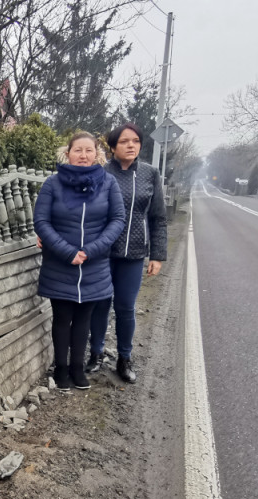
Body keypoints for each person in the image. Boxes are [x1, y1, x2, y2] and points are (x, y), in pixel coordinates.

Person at [34, 131, 126, 392]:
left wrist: (90, 251)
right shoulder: (52, 183)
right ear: (68, 153)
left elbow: (117, 220)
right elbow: (41, 221)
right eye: (78, 150)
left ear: (97, 154)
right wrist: (67, 252)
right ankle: (61, 368)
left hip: (94, 265)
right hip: (59, 264)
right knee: (62, 318)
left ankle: (78, 367)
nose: (83, 155)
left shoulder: (108, 183)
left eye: (89, 150)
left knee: (84, 318)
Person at [86, 123, 169, 383]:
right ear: (112, 147)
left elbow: (158, 218)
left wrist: (157, 255)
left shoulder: (150, 174)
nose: (131, 145)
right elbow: (82, 213)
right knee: (99, 304)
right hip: (102, 253)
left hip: (133, 253)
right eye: (124, 141)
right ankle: (96, 354)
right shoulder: (99, 173)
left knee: (125, 307)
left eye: (135, 141)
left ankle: (124, 358)